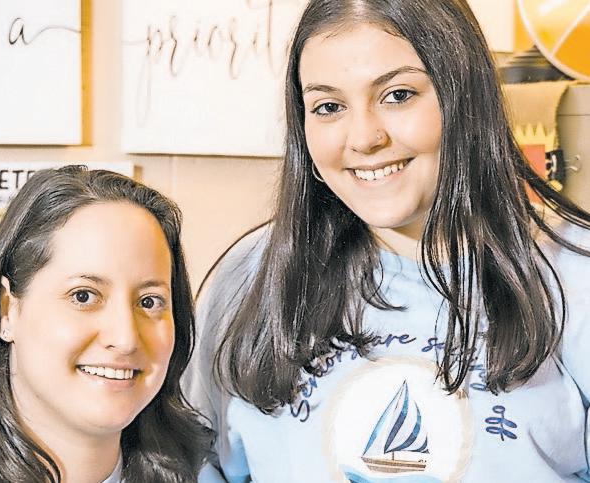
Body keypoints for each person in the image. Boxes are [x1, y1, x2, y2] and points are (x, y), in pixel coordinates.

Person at [185, 1, 590, 482]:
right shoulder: (251, 275)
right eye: (329, 107)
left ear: (465, 99)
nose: (363, 138)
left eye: (398, 95)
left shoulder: (573, 269)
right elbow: (193, 461)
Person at [0, 166, 211, 483]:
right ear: (6, 309)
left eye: (149, 302)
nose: (126, 338)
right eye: (84, 296)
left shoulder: (204, 473)